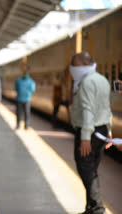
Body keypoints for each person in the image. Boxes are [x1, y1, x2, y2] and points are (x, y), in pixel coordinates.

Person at [70, 52, 112, 214]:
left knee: (86, 170)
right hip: (100, 130)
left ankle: (97, 208)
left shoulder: (86, 83)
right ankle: (90, 207)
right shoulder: (102, 80)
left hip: (89, 131)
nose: (72, 69)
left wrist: (85, 138)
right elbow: (106, 109)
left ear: (83, 64)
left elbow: (88, 110)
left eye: (74, 65)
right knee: (92, 169)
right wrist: (108, 130)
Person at [14, 64, 35, 129]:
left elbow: (33, 90)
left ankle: (26, 125)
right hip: (19, 99)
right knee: (18, 113)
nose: (26, 74)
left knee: (27, 113)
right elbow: (16, 88)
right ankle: (18, 124)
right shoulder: (18, 80)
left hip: (27, 99)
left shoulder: (31, 81)